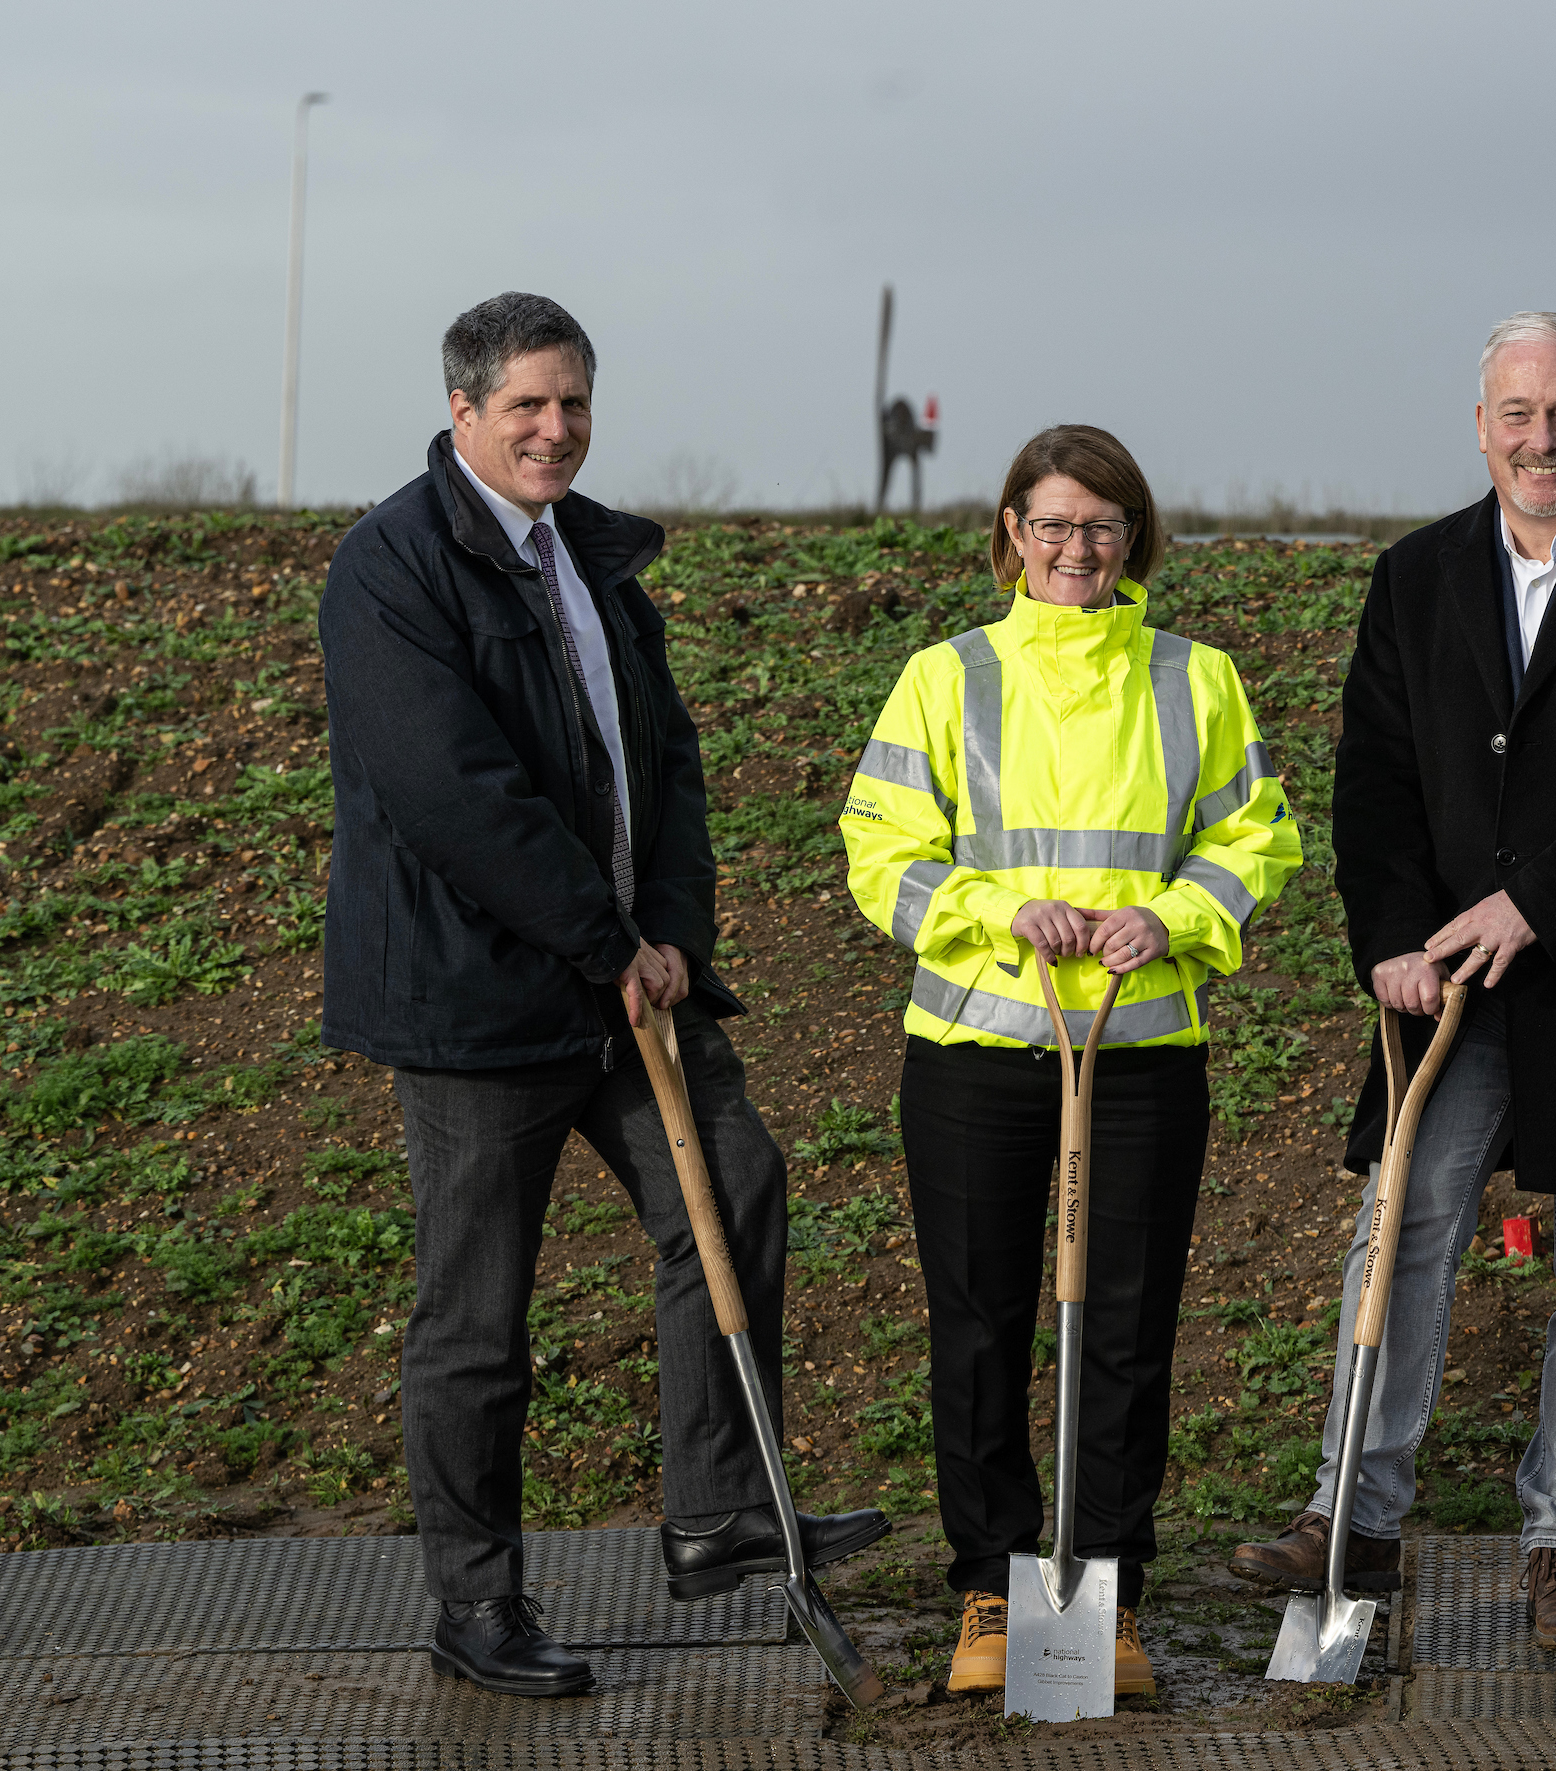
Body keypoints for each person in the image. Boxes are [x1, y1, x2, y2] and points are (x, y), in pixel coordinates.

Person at [319, 292, 886, 1699]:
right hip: (479, 1003)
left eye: (573, 402)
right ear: (462, 410)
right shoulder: (391, 566)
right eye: (527, 405)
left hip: (632, 985)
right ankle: (476, 1599)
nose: (556, 429)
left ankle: (715, 1509)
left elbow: (669, 759)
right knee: (477, 1316)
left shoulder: (592, 558)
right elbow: (457, 795)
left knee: (735, 1187)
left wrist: (675, 928)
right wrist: (601, 935)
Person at [1229, 313, 1556, 1649]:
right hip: (1446, 987)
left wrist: (1535, 902)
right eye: (1519, 413)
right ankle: (1352, 1513)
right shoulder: (1415, 577)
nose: (1544, 439)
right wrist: (1396, 937)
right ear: (1481, 427)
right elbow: (1377, 780)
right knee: (1397, 1234)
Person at [841, 425, 1302, 1698]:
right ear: (1009, 532)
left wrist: (1179, 917)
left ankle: (1104, 1592)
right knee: (981, 1323)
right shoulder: (946, 676)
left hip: (1142, 1051)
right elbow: (878, 847)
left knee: (1124, 1329)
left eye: (1100, 526)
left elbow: (1252, 836)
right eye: (1050, 524)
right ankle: (993, 1590)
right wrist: (995, 911)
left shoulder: (1195, 676)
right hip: (978, 1049)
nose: (1074, 549)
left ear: (1133, 538)